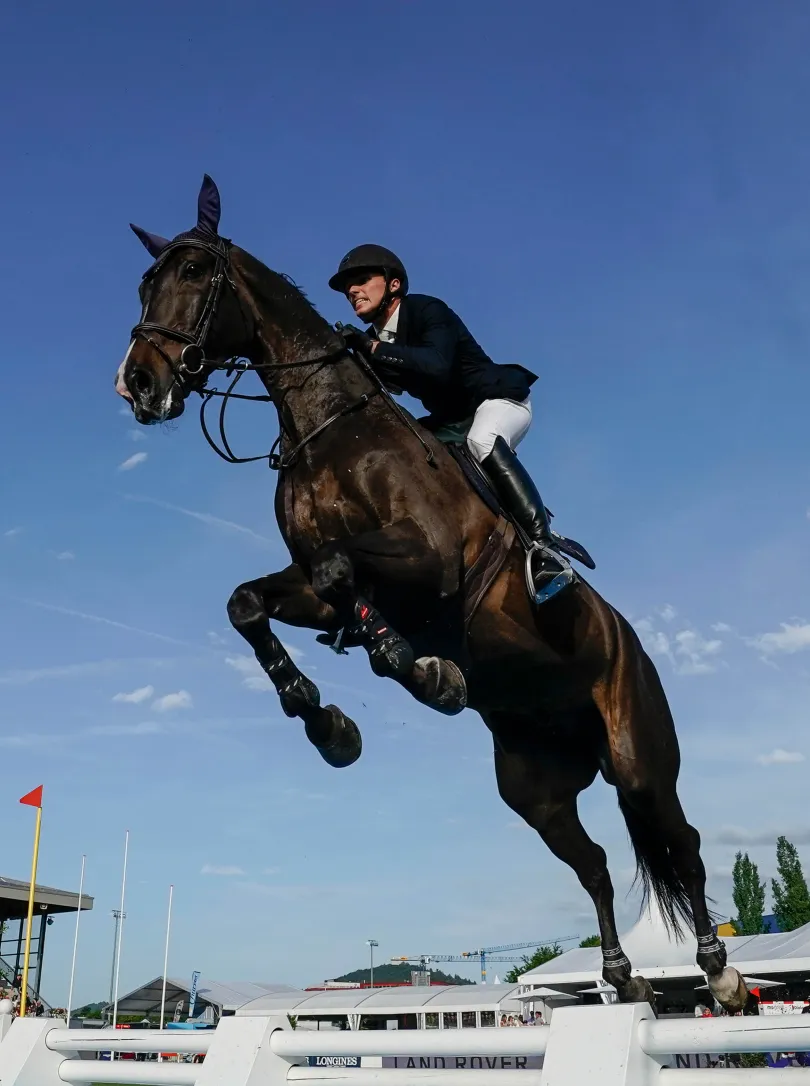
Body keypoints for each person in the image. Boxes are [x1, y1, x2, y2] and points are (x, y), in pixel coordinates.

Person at [329, 245, 594, 596]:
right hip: (451, 420)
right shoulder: (378, 339)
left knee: (482, 441)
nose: (352, 290)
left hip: (498, 401)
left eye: (362, 280)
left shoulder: (427, 310)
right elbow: (386, 387)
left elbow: (436, 364)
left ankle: (544, 550)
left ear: (393, 285)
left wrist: (372, 349)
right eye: (348, 287)